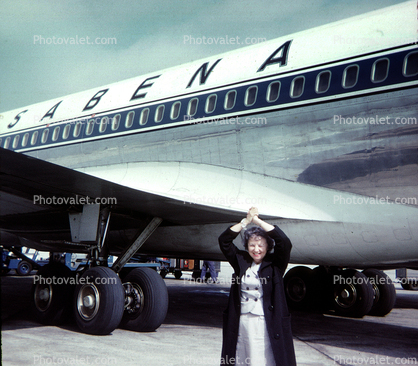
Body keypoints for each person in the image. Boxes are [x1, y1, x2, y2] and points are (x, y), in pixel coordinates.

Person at [218, 207, 296, 366]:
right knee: (242, 356)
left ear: (268, 247)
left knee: (263, 358)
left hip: (265, 322)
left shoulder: (275, 265)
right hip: (242, 320)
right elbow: (224, 240)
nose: (256, 249)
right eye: (252, 245)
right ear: (247, 247)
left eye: (261, 245)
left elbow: (284, 242)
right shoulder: (241, 261)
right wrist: (245, 221)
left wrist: (257, 221)